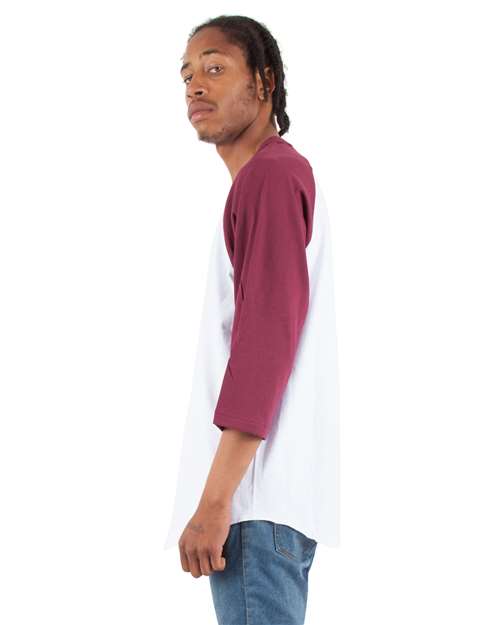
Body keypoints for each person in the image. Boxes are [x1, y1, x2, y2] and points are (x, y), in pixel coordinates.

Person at [164, 14, 339, 625]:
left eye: (215, 68)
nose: (195, 85)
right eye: (187, 74)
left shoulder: (269, 175)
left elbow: (265, 341)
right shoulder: (271, 179)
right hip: (270, 507)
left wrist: (216, 501)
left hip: (255, 505)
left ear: (264, 82)